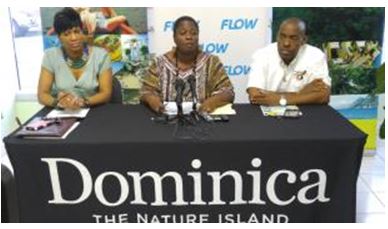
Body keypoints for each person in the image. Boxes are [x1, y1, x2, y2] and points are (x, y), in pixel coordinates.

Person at [140, 16, 234, 114]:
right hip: (167, 120)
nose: (189, 37)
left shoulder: (211, 61)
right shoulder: (159, 63)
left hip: (202, 120)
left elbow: (227, 91)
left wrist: (211, 103)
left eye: (194, 33)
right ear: (174, 38)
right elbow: (146, 91)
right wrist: (154, 101)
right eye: (183, 33)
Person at [38, 7, 112, 109]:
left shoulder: (101, 55)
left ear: (82, 32)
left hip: (93, 111)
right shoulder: (50, 56)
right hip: (61, 113)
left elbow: (106, 93)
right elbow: (42, 95)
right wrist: (58, 103)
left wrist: (83, 102)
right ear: (59, 37)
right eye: (67, 34)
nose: (73, 38)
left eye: (76, 31)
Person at [246, 17, 331, 106]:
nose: (286, 43)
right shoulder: (262, 54)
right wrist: (301, 94)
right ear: (277, 36)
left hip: (306, 115)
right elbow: (254, 96)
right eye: (282, 36)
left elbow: (324, 96)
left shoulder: (315, 56)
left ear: (303, 40)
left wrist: (277, 99)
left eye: (293, 38)